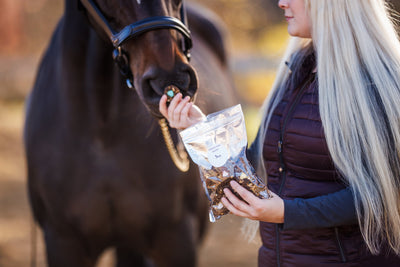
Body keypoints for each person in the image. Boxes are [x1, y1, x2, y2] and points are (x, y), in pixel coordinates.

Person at [159, 0, 400, 266]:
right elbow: (258, 167)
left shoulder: (376, 80)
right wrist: (199, 130)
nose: (281, 2)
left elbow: (384, 195)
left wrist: (288, 212)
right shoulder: (297, 71)